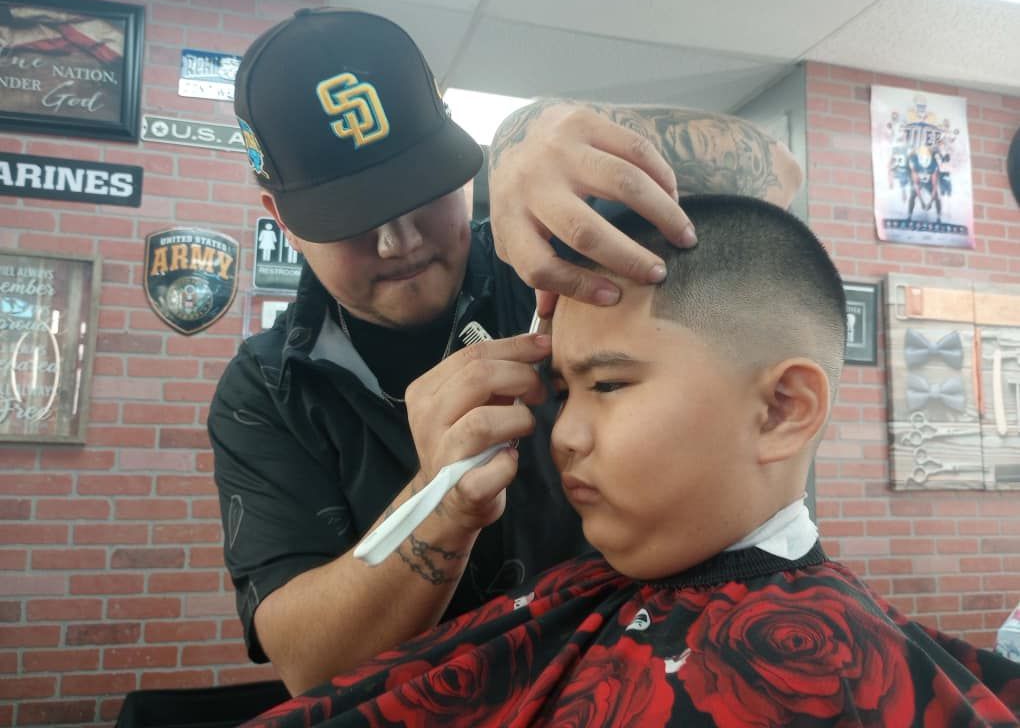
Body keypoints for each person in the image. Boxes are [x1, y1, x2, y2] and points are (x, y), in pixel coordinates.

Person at [240, 195, 1020, 727]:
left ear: (783, 409)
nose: (562, 435)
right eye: (563, 391)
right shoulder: (261, 387)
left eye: (607, 384)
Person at [208, 7, 804, 695]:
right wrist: (442, 505)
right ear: (279, 216)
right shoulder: (266, 388)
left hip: (633, 685)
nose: (400, 241)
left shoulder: (559, 256)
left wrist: (535, 128)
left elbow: (779, 173)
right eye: (352, 219)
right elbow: (307, 665)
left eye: (419, 192)